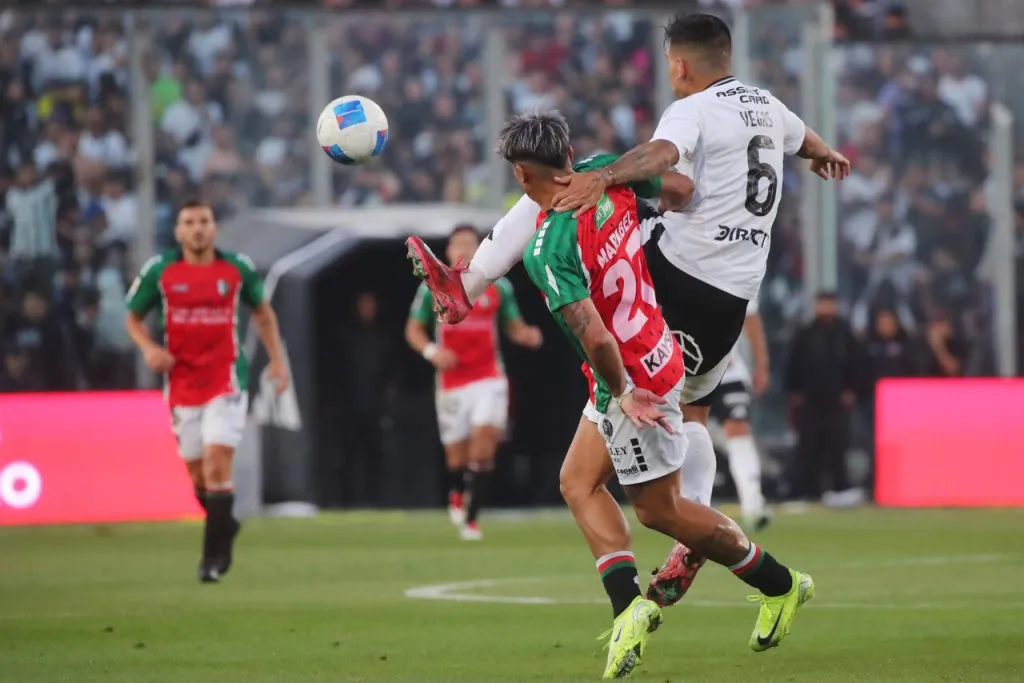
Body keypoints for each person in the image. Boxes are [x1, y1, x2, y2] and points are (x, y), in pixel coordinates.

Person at [405, 13, 848, 607]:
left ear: (682, 64)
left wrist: (607, 176)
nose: (669, 73)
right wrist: (827, 156)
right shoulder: (765, 105)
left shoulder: (692, 109)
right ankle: (691, 537)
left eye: (669, 63)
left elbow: (663, 154)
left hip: (681, 278)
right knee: (693, 416)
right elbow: (803, 141)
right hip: (733, 301)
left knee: (566, 191)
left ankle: (469, 282)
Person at [416, 111, 814, 679]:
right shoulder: (607, 172)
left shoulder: (548, 251)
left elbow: (594, 334)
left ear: (523, 174)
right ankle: (629, 608)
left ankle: (781, 583)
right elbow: (679, 187)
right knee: (577, 481)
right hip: (659, 345)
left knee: (661, 511)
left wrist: (622, 393)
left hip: (631, 379)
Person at [125, 199, 289, 583]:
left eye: (204, 221)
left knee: (217, 463)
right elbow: (132, 316)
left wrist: (277, 360)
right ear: (179, 231)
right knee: (198, 476)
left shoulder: (236, 268)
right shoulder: (160, 271)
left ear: (215, 228)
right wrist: (150, 348)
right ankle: (223, 523)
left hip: (226, 378)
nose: (197, 228)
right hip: (182, 382)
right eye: (189, 222)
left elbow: (263, 313)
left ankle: (212, 558)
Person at [405, 225, 543, 541]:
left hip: (489, 378)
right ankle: (457, 490)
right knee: (457, 456)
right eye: (459, 245)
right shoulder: (433, 288)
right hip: (452, 382)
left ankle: (471, 518)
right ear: (449, 251)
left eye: (471, 243)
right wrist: (432, 352)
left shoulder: (497, 288)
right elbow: (413, 330)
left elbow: (513, 326)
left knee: (483, 448)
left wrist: (525, 335)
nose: (465, 250)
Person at [783, 292, 860, 501]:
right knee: (808, 446)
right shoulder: (806, 333)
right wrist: (795, 392)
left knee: (837, 445)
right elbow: (794, 365)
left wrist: (851, 390)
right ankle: (808, 490)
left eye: (830, 303)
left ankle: (839, 490)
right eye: (822, 303)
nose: (826, 308)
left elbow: (856, 364)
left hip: (837, 401)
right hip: (810, 400)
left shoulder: (845, 334)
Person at [706, 299, 771, 530]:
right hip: (685, 367)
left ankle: (753, 504)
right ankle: (689, 504)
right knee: (685, 430)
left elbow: (751, 317)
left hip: (728, 369)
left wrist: (761, 365)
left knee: (738, 428)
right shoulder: (672, 265)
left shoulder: (735, 265)